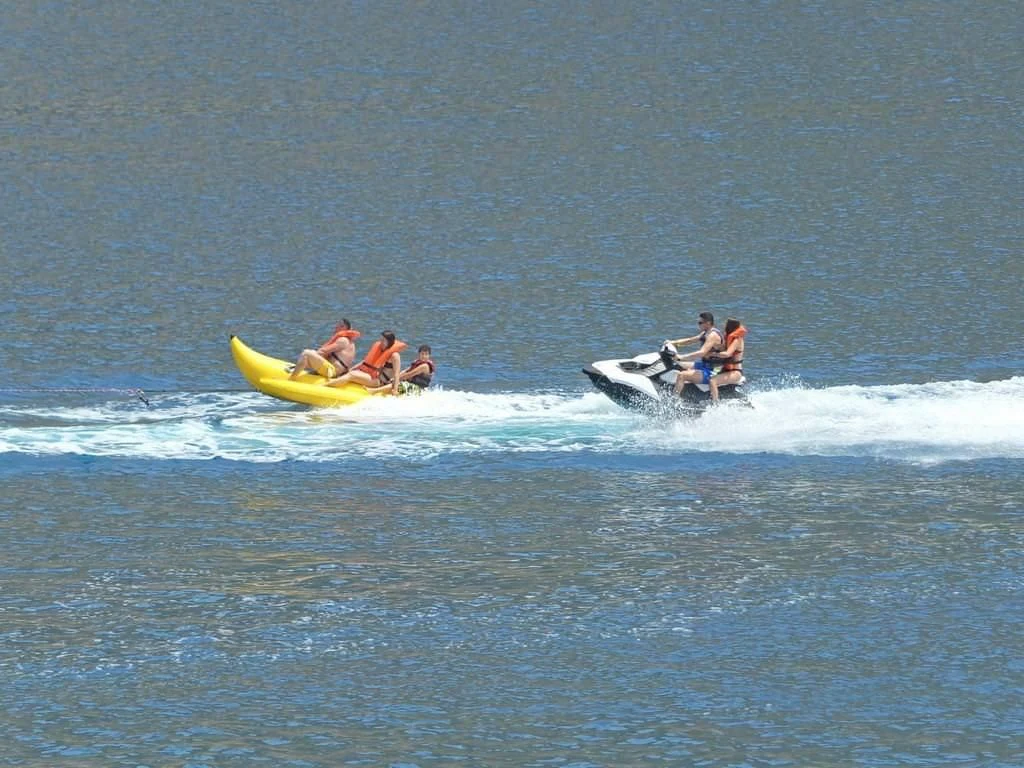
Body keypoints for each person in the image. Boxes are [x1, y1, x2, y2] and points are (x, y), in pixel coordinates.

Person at [325, 330, 406, 396]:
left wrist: (395, 390)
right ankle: (335, 382)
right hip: (373, 377)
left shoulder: (395, 356)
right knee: (352, 372)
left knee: (352, 375)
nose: (381, 342)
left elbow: (396, 374)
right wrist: (350, 369)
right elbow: (365, 363)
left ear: (389, 342)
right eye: (381, 339)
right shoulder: (380, 350)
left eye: (383, 340)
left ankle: (326, 386)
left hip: (380, 382)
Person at [669, 311, 726, 395]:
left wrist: (681, 357)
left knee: (682, 375)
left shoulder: (713, 335)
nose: (698, 325)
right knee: (678, 364)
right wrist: (673, 342)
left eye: (700, 323)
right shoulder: (706, 333)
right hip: (704, 365)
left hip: (712, 370)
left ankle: (674, 400)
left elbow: (702, 352)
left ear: (708, 323)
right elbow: (690, 340)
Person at [289, 319, 361, 380]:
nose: (336, 327)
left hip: (332, 372)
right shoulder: (350, 342)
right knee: (310, 354)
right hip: (336, 371)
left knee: (306, 353)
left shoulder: (343, 340)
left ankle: (292, 378)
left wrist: (310, 356)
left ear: (344, 328)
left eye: (339, 325)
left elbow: (323, 351)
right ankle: (298, 369)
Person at [365, 344, 436, 394]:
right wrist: (395, 378)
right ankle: (380, 388)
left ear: (429, 355)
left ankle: (373, 391)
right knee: (394, 381)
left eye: (426, 354)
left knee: (397, 384)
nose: (424, 356)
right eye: (422, 354)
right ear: (419, 354)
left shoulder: (425, 366)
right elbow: (406, 371)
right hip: (411, 384)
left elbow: (409, 374)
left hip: (419, 389)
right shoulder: (417, 362)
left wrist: (396, 380)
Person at [707, 318, 746, 401]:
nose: (724, 326)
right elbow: (721, 348)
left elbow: (727, 354)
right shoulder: (729, 338)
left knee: (712, 381)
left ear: (729, 326)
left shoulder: (737, 340)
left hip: (735, 372)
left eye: (725, 324)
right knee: (708, 373)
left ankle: (715, 404)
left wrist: (713, 354)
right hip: (725, 370)